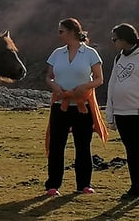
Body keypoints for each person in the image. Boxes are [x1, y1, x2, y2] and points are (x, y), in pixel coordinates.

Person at [44, 17, 107, 196]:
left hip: (82, 106)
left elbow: (99, 79)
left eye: (61, 31)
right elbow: (49, 76)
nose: (59, 35)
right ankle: (53, 185)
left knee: (82, 145)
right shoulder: (57, 53)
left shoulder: (90, 54)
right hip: (60, 105)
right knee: (57, 145)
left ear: (72, 32)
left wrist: (84, 87)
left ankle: (84, 184)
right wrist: (54, 85)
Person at [105, 23, 139, 200]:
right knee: (131, 152)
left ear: (125, 39)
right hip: (122, 113)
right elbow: (112, 85)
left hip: (137, 113)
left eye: (115, 39)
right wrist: (110, 114)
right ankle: (135, 187)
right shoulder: (119, 58)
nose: (113, 42)